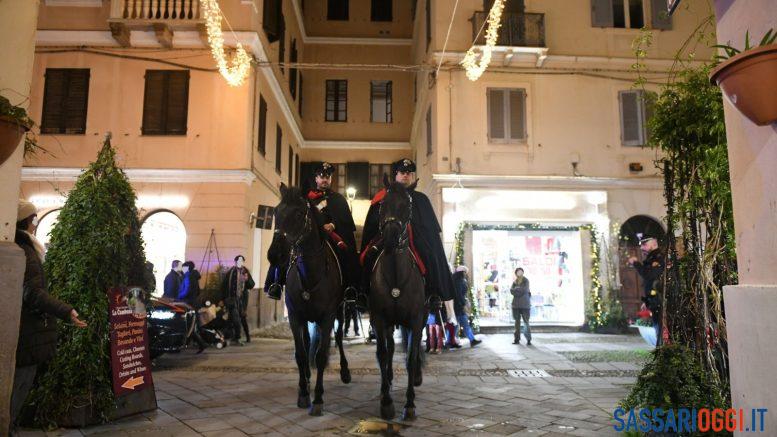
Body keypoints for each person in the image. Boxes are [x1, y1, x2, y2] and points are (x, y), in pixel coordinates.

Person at [11, 200, 88, 430]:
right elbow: (33, 293)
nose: (35, 224)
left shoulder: (19, 246)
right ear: (26, 221)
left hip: (25, 330)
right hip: (28, 332)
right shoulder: (25, 249)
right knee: (17, 391)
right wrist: (66, 310)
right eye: (34, 219)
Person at [360, 158, 454, 305]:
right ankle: (363, 293)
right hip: (386, 237)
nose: (406, 176)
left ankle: (433, 294)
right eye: (402, 172)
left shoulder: (421, 199)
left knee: (431, 255)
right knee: (367, 256)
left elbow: (429, 229)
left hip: (415, 239)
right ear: (395, 175)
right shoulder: (383, 197)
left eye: (409, 173)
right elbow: (372, 225)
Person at [266, 162, 360, 301]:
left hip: (331, 237)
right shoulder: (305, 198)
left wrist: (333, 225)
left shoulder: (339, 199)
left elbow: (346, 221)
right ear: (316, 178)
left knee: (346, 253)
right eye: (321, 176)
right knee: (286, 249)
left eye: (327, 176)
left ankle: (349, 287)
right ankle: (276, 283)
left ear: (331, 179)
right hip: (308, 236)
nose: (324, 179)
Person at [628, 235, 664, 340]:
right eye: (641, 245)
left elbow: (649, 275)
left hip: (660, 300)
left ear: (654, 243)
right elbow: (651, 281)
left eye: (644, 244)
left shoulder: (658, 257)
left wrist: (636, 263)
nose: (642, 247)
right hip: (654, 299)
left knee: (660, 328)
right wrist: (647, 301)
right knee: (657, 327)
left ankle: (662, 350)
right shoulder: (651, 258)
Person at [221, 255, 255, 345]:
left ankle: (247, 336)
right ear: (235, 262)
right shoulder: (231, 272)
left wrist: (247, 280)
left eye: (241, 261)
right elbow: (224, 286)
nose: (239, 262)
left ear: (243, 262)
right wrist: (223, 299)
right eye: (238, 261)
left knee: (243, 318)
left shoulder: (245, 272)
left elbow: (251, 285)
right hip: (232, 299)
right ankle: (237, 337)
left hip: (242, 300)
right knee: (235, 318)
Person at [178, 261, 206, 353]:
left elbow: (186, 291)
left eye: (183, 267)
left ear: (187, 268)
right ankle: (198, 343)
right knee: (193, 325)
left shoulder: (188, 277)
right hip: (194, 303)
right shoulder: (194, 276)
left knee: (190, 325)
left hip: (188, 304)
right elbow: (198, 291)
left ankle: (201, 344)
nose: (182, 269)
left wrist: (178, 296)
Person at [452, 266, 481, 347]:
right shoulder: (459, 281)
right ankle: (451, 341)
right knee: (458, 325)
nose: (465, 274)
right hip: (459, 306)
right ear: (462, 273)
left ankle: (451, 341)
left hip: (457, 306)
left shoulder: (457, 280)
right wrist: (463, 304)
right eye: (465, 272)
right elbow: (459, 294)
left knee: (457, 325)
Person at [510, 268, 531, 345]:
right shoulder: (515, 282)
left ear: (523, 272)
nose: (519, 273)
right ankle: (516, 339)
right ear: (516, 273)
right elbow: (511, 291)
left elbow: (525, 290)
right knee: (517, 323)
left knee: (526, 322)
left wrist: (517, 290)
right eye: (518, 272)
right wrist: (518, 290)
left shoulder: (526, 280)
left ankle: (528, 339)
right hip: (516, 305)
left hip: (525, 305)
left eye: (520, 271)